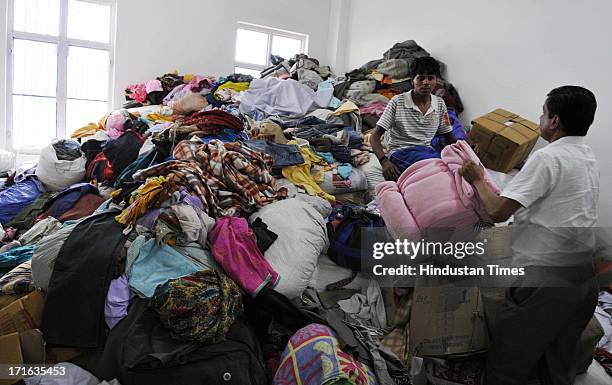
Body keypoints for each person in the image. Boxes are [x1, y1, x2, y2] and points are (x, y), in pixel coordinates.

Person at [460, 85, 599, 385]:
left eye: (543, 113)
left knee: (507, 365)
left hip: (546, 283)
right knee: (556, 366)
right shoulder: (587, 157)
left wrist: (477, 179)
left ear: (555, 121)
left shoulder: (547, 158)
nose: (540, 118)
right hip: (584, 280)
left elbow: (497, 211)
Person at [370, 56, 456, 181]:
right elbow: (374, 137)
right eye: (420, 78)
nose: (426, 82)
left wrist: (464, 147)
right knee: (438, 172)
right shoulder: (398, 101)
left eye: (430, 78)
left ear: (436, 81)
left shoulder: (439, 103)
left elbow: (449, 137)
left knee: (453, 166)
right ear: (412, 80)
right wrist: (384, 162)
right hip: (401, 152)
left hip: (427, 151)